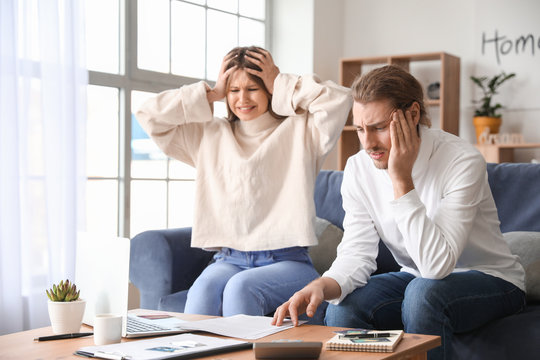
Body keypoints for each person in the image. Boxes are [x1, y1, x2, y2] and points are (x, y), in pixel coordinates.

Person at [272, 65, 526, 360]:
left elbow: (436, 267)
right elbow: (357, 253)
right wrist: (321, 285)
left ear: (413, 115)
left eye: (379, 127)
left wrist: (401, 179)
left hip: (492, 279)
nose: (368, 143)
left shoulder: (462, 160)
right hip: (416, 277)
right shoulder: (358, 168)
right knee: (345, 304)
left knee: (424, 294)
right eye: (360, 129)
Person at [136, 46, 352, 317]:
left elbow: (339, 100)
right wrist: (210, 93)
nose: (242, 99)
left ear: (268, 89)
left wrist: (281, 82)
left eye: (252, 88)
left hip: (287, 260)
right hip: (229, 258)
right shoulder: (209, 134)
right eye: (233, 90)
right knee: (202, 291)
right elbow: (148, 115)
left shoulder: (301, 130)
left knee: (240, 288)